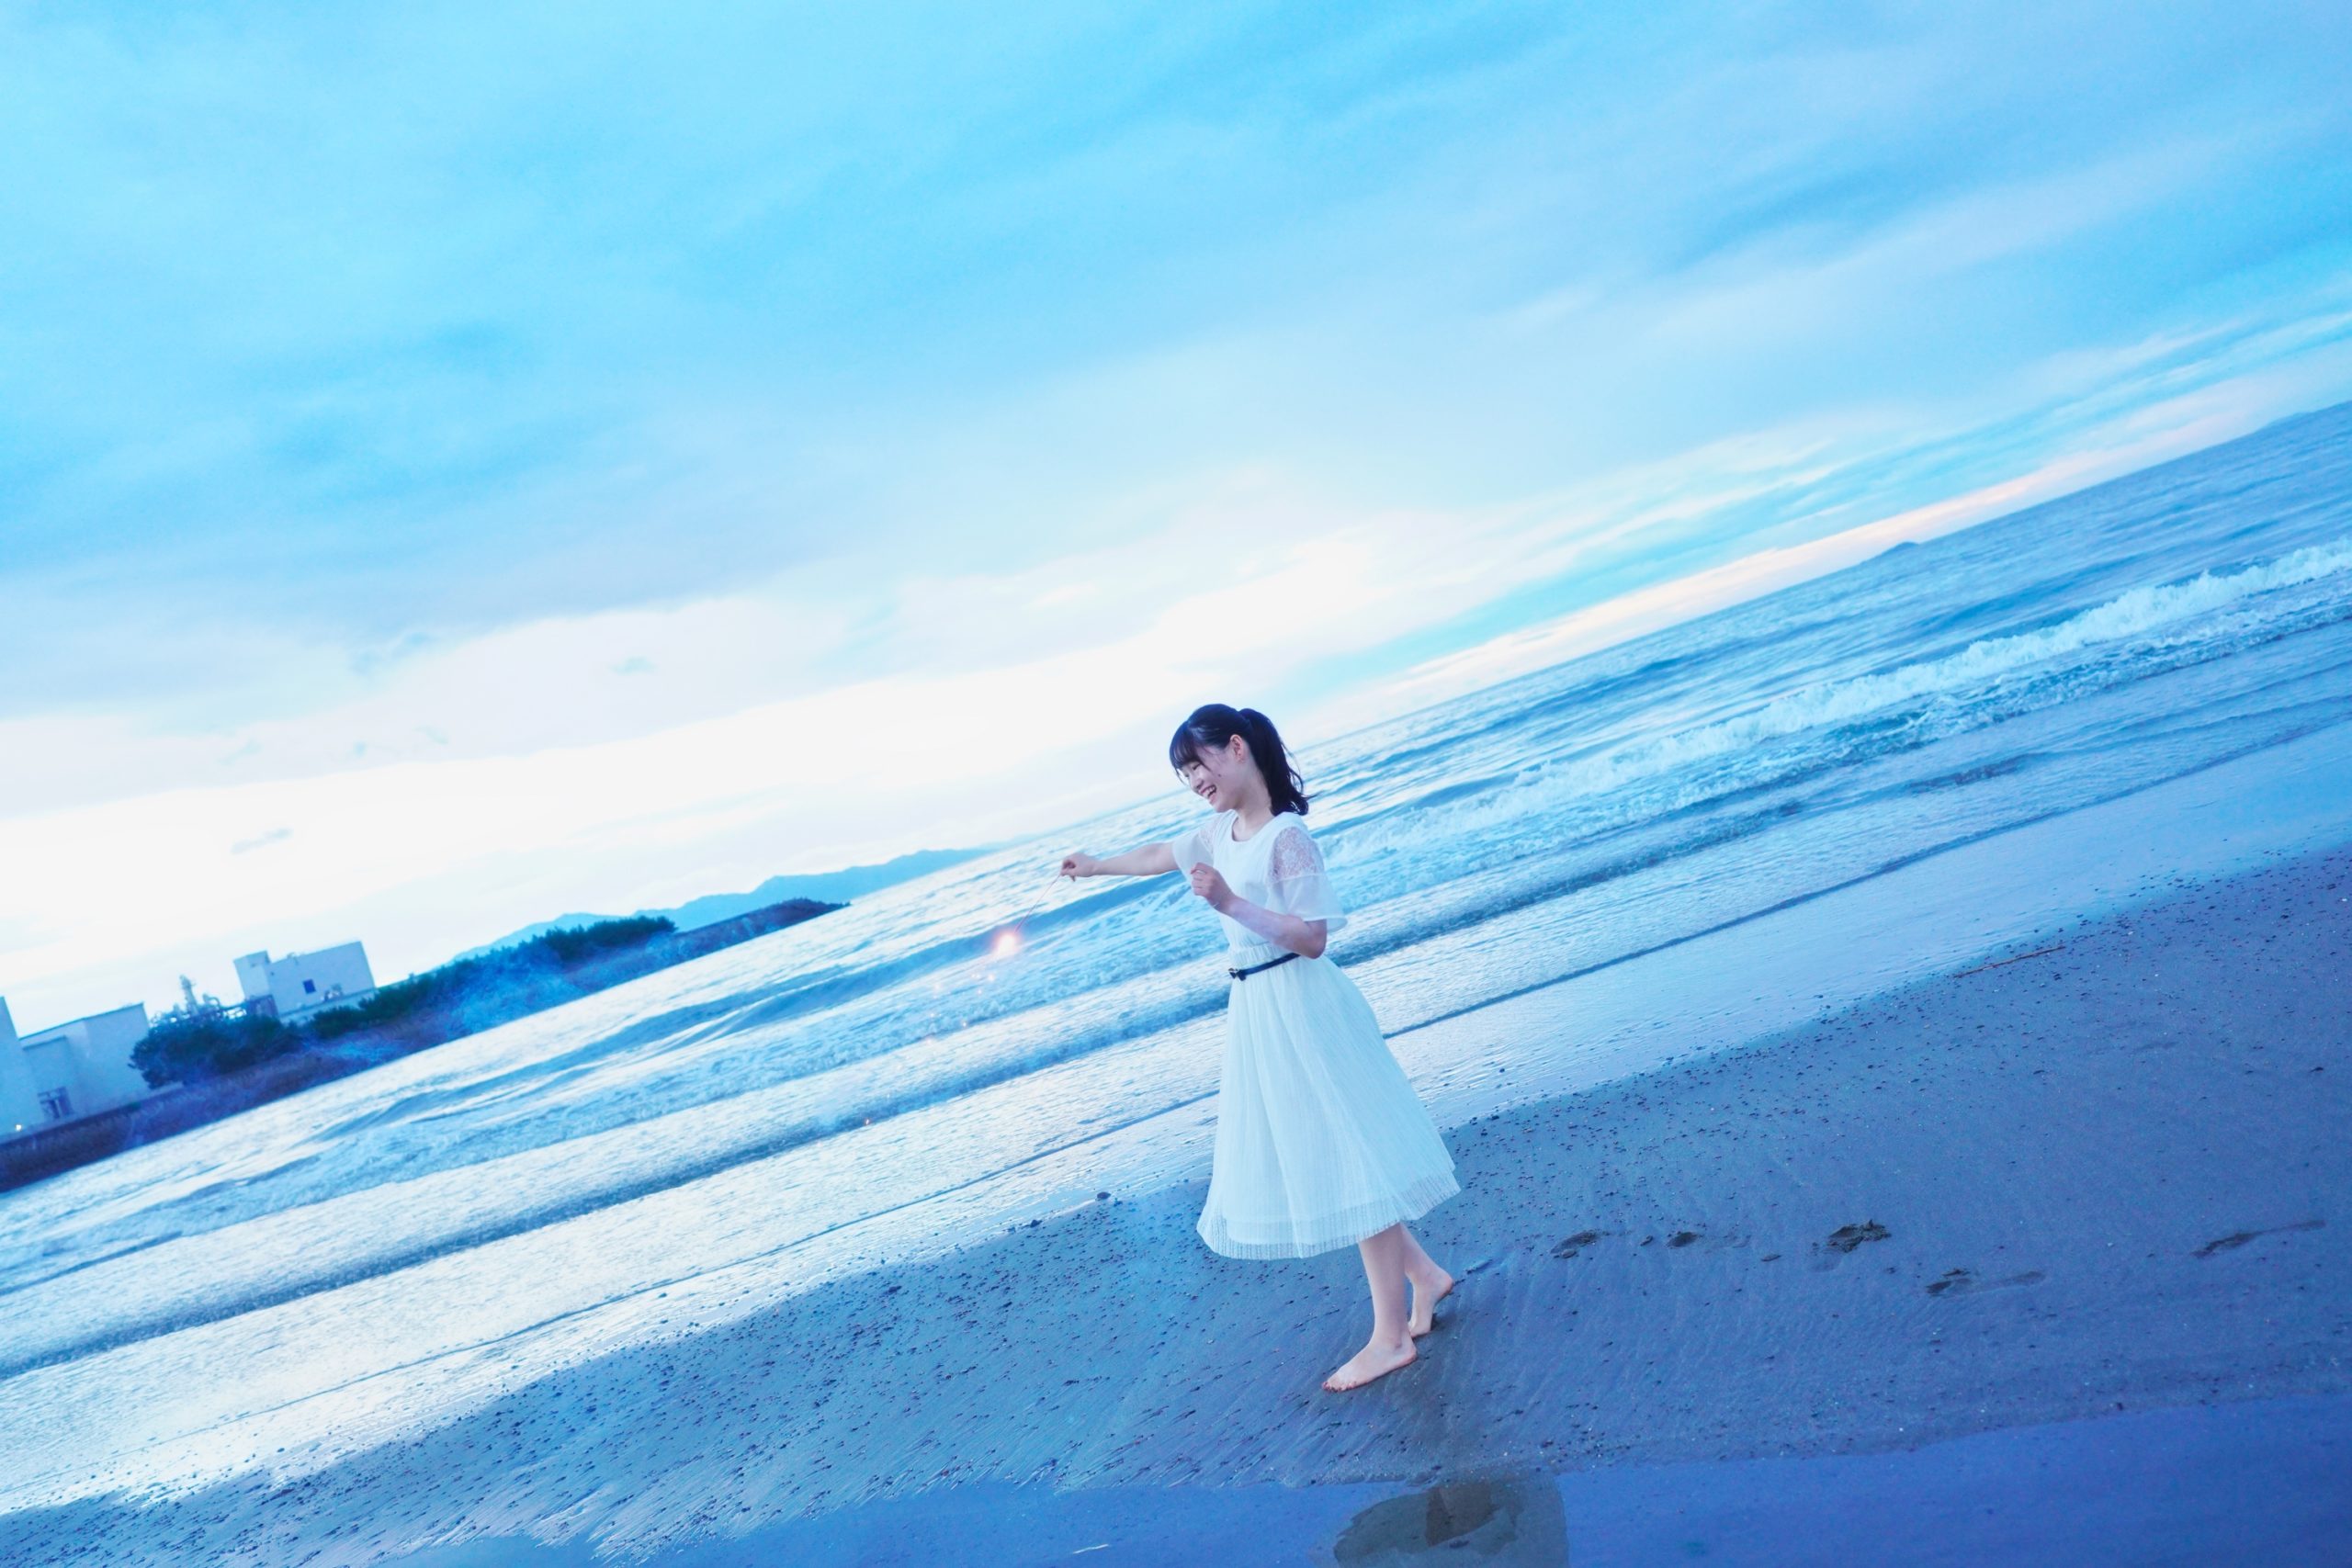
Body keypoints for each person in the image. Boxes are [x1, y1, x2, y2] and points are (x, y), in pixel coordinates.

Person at [1057, 704, 1462, 1392]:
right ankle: (1424, 1277)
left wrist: (1230, 905)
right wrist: (1095, 865)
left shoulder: (1286, 836)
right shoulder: (1218, 833)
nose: (1195, 781)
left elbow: (1312, 937)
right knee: (1333, 1148)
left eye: (1198, 764)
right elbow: (1157, 855)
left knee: (1350, 1159)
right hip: (1260, 1009)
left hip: (1305, 1005)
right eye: (1185, 773)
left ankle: (1391, 1337)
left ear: (1237, 748)